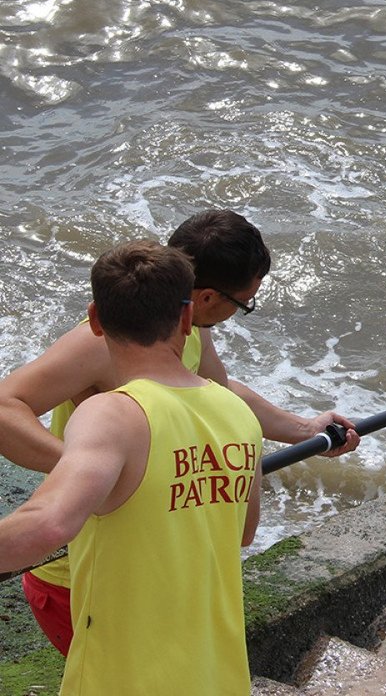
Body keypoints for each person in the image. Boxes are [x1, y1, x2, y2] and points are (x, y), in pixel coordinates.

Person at [0, 208, 359, 655]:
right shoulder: (102, 343)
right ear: (205, 298)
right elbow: (4, 408)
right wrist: (90, 474)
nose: (238, 313)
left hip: (151, 569)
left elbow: (218, 393)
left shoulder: (184, 325)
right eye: (243, 304)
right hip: (80, 581)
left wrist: (305, 429)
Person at [0, 240, 263, 694]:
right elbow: (243, 531)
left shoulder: (112, 413)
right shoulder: (237, 413)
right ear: (186, 319)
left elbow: (47, 526)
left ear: (96, 320)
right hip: (215, 671)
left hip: (122, 675)